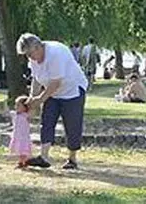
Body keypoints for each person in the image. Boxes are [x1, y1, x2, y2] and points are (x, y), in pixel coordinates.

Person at [16, 33, 88, 169]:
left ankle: (72, 159)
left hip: (72, 91)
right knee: (47, 121)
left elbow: (56, 83)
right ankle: (44, 157)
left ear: (38, 47)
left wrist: (40, 99)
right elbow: (36, 79)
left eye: (30, 54)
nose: (29, 58)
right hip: (52, 94)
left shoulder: (56, 53)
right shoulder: (33, 59)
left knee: (72, 125)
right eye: (27, 55)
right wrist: (32, 98)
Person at [9, 95, 32, 169]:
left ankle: (23, 162)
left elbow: (31, 112)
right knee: (19, 149)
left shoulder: (26, 116)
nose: (16, 106)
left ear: (25, 107)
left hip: (23, 137)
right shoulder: (15, 115)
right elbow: (6, 113)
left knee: (23, 149)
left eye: (18, 105)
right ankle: (23, 161)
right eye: (16, 105)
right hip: (17, 135)